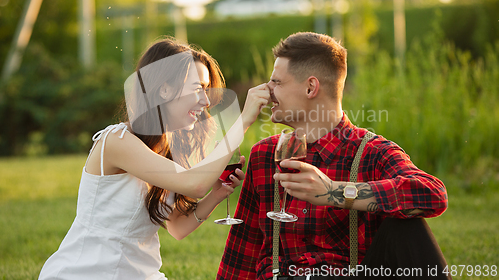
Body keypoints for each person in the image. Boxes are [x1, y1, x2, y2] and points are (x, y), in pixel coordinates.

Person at [217, 32, 450, 280]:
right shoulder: (264, 154)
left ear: (310, 87)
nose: (265, 90)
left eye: (276, 82)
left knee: (406, 222)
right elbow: (242, 254)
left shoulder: (372, 152)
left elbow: (432, 194)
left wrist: (335, 192)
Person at [38, 37, 271, 280]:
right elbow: (196, 184)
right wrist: (243, 121)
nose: (205, 100)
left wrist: (217, 194)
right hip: (89, 273)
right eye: (197, 88)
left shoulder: (168, 150)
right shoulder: (117, 141)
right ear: (164, 89)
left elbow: (178, 227)